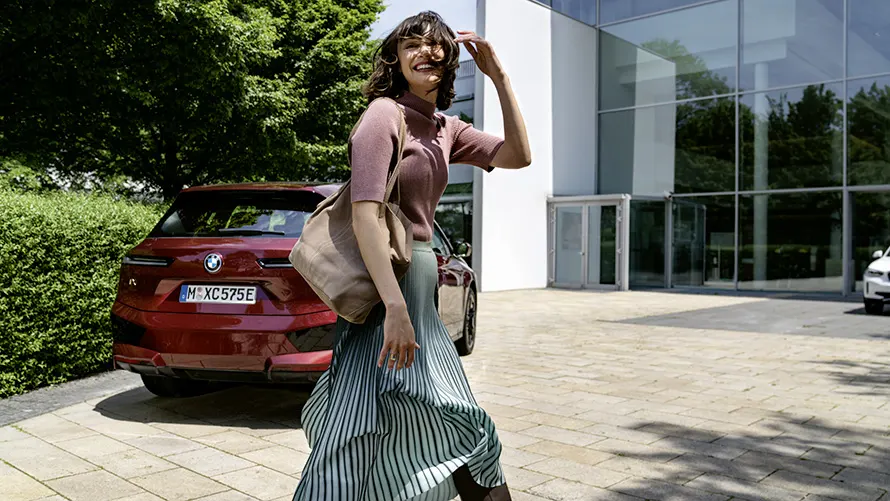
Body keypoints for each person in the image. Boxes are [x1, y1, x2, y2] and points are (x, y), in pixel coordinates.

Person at [292, 10, 530, 501]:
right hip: (390, 286)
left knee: (436, 414)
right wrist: (395, 308)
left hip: (421, 280)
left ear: (449, 59)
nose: (426, 51)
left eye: (436, 44)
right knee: (367, 420)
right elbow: (365, 215)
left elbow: (517, 156)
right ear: (396, 59)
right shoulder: (384, 115)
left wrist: (500, 77)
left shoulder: (446, 128)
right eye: (412, 44)